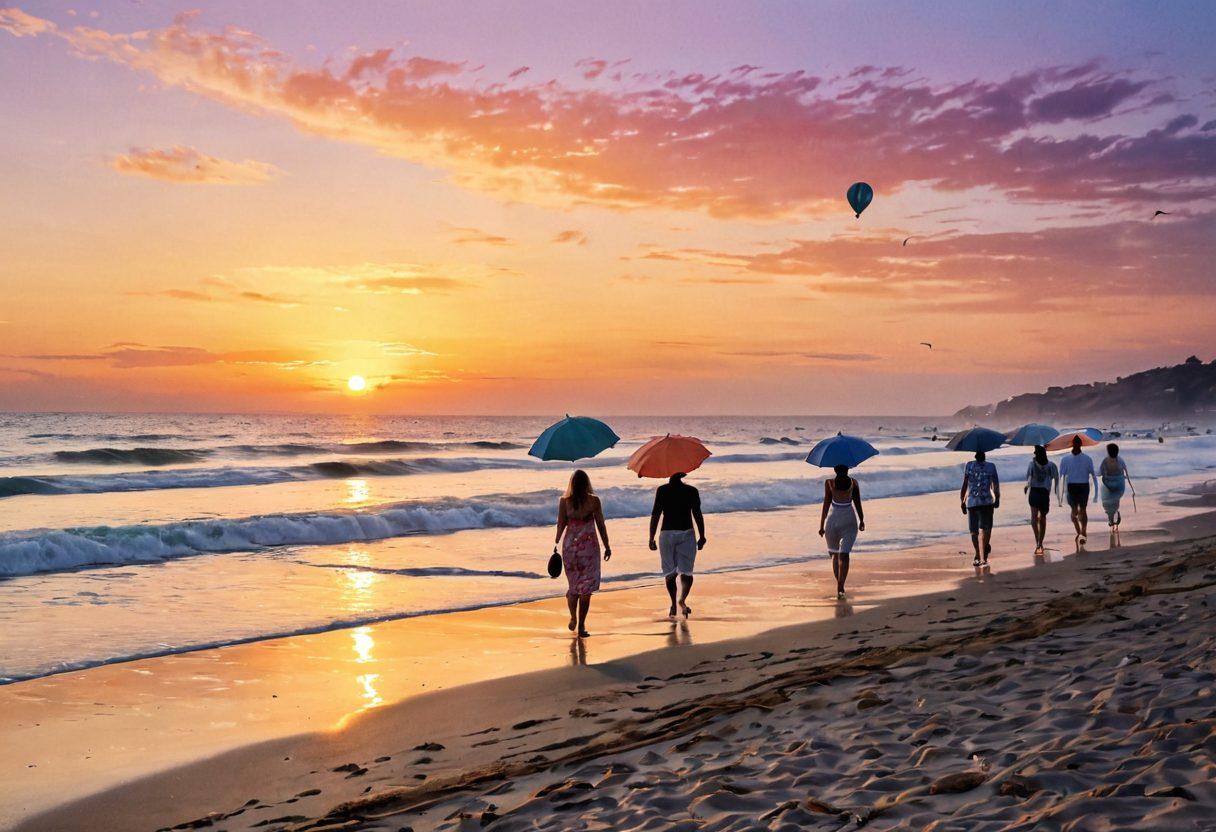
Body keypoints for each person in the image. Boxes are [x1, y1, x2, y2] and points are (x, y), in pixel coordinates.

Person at [553, 470, 611, 638]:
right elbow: (601, 525)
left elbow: (561, 525)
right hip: (589, 548)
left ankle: (573, 617)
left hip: (570, 548)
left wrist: (556, 543)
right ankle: (582, 626)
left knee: (573, 587)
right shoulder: (594, 501)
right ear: (587, 483)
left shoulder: (564, 502)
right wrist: (607, 545)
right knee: (586, 590)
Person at [648, 472, 706, 618]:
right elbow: (697, 514)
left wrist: (651, 537)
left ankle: (674, 603)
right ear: (683, 474)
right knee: (687, 572)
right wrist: (702, 536)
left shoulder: (663, 490)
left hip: (667, 534)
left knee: (670, 573)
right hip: (687, 533)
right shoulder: (691, 491)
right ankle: (681, 601)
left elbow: (656, 514)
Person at [818, 464, 865, 599]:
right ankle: (840, 584)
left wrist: (822, 525)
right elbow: (857, 503)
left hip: (837, 522)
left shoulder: (831, 483)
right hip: (845, 521)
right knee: (841, 555)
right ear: (847, 469)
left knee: (839, 555)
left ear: (835, 470)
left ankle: (840, 585)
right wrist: (861, 520)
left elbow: (826, 505)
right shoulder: (850, 482)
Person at [960, 449, 1000, 566]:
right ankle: (984, 552)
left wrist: (962, 501)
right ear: (984, 455)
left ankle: (978, 554)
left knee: (974, 532)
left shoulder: (969, 465)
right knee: (986, 529)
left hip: (972, 502)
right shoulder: (991, 466)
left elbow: (965, 485)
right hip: (987, 502)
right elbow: (996, 485)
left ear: (975, 456)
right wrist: (997, 498)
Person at [1058, 435, 1098, 544]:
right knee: (1075, 511)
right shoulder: (1066, 459)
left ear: (1079, 444)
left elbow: (1093, 475)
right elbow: (1061, 477)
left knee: (1081, 510)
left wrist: (1096, 495)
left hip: (1082, 486)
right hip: (1074, 487)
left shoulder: (1085, 459)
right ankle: (1080, 531)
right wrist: (1059, 496)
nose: (1076, 445)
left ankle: (1083, 532)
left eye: (1077, 443)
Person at [1024, 445, 1059, 555]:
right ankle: (1040, 542)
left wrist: (1027, 486)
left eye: (1035, 452)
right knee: (1042, 518)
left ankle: (1038, 542)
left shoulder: (1032, 464)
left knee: (1034, 518)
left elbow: (1028, 477)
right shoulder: (1051, 465)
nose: (1034, 454)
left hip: (1035, 492)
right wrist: (1056, 492)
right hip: (1043, 493)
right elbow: (1056, 478)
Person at [1099, 443, 1131, 528]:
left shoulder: (1105, 460)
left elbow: (1100, 472)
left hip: (1108, 484)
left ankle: (1111, 519)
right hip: (1118, 484)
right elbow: (1126, 472)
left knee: (1108, 503)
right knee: (1115, 500)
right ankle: (1114, 515)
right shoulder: (1120, 460)